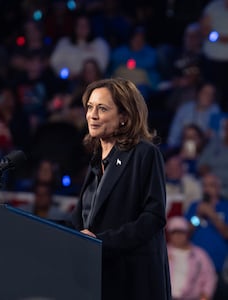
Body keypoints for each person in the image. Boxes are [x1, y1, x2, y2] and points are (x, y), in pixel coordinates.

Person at [70, 78, 171, 299]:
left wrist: (101, 243)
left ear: (124, 117)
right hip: (97, 280)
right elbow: (81, 221)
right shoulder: (95, 162)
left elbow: (153, 217)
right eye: (90, 107)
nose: (92, 115)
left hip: (133, 281)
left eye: (102, 108)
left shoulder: (144, 154)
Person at [185, 172, 228, 300]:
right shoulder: (195, 206)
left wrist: (212, 215)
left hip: (219, 268)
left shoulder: (225, 207)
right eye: (205, 185)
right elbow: (186, 233)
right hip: (196, 268)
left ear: (218, 188)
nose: (207, 189)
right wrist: (197, 216)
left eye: (211, 185)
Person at [166, 216, 217, 300]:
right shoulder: (163, 253)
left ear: (187, 233)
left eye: (181, 232)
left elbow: (210, 277)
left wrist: (205, 296)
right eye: (174, 232)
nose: (178, 235)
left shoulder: (199, 254)